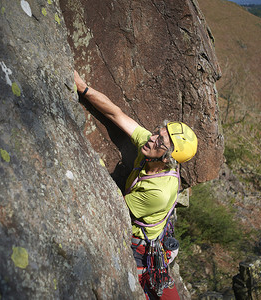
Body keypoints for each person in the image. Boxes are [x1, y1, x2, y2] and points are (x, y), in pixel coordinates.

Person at [74, 71, 197, 299]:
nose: (151, 139)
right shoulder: (151, 149)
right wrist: (84, 88)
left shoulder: (158, 192)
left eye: (160, 141)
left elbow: (113, 209)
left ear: (167, 158)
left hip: (138, 241)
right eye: (156, 134)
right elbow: (116, 114)